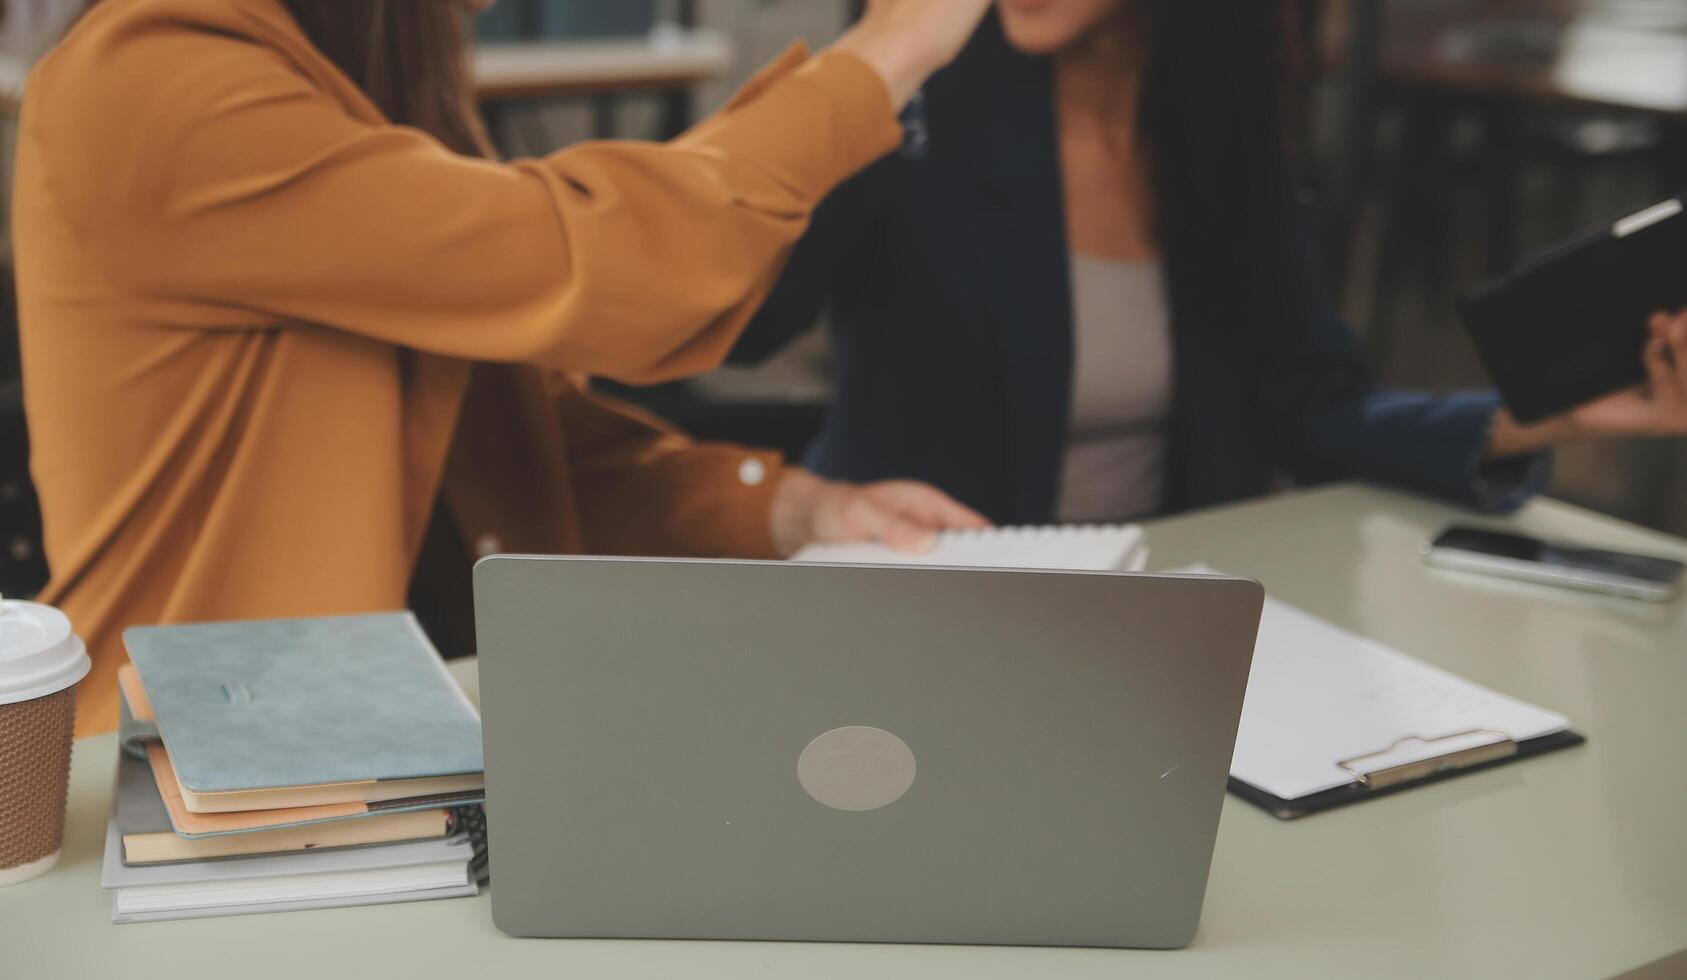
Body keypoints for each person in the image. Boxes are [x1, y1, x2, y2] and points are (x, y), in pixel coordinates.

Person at [15, 0, 995, 735]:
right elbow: (610, 268)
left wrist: (793, 511)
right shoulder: (145, 84)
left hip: (412, 764)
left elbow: (528, 454)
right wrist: (893, 44)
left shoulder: (388, 83)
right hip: (203, 786)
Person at [731, 1, 1687, 527]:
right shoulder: (912, 110)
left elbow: (1308, 406)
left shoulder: (1218, 132)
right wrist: (869, 70)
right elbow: (732, 324)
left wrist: (1540, 419)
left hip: (1159, 641)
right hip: (919, 619)